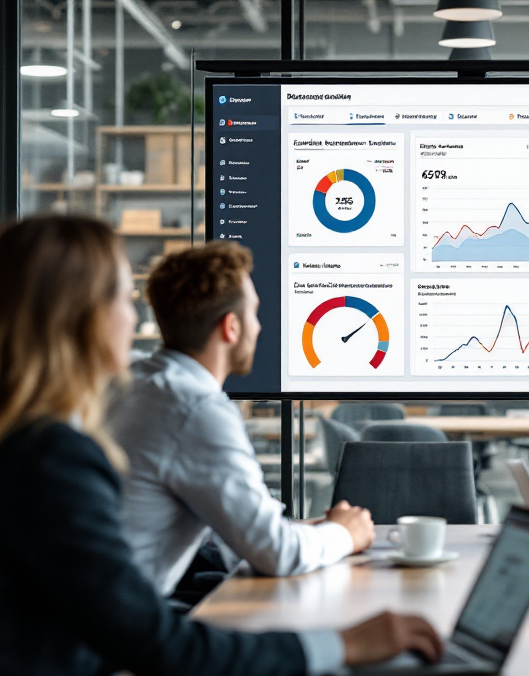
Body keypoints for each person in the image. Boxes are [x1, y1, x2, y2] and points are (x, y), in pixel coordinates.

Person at [0, 217, 440, 676]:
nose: (135, 318)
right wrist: (344, 644)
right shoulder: (52, 457)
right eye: (123, 298)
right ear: (84, 318)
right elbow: (164, 654)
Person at [107, 242, 372, 598]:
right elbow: (277, 554)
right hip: (124, 620)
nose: (259, 327)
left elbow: (247, 531)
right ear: (230, 327)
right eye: (254, 313)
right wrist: (345, 533)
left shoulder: (135, 379)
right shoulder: (196, 409)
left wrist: (305, 532)